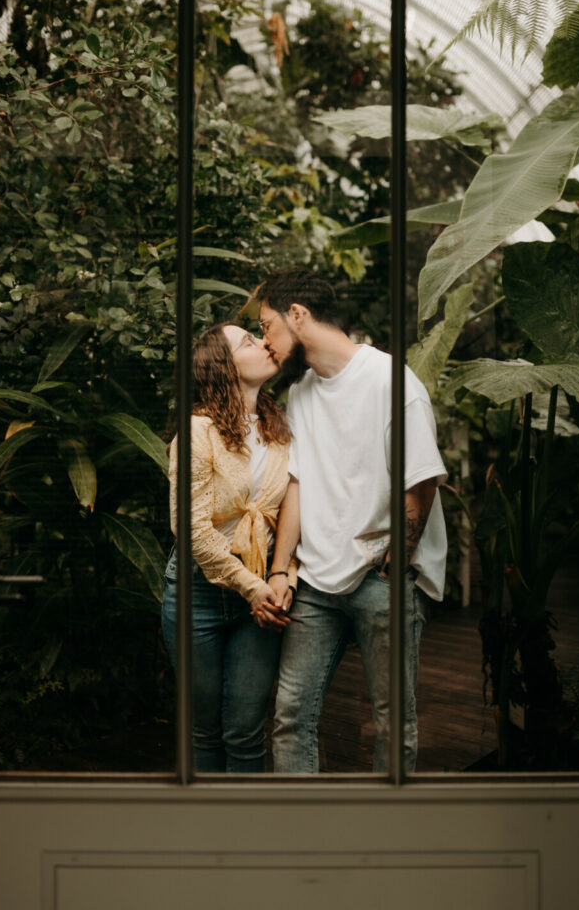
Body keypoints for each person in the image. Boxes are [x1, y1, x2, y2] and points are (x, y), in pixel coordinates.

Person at [256, 268, 447, 774]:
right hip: (316, 582)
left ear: (297, 315)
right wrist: (280, 570)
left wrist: (396, 566)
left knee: (391, 719)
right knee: (291, 714)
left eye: (267, 326)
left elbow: (421, 481)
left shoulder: (392, 383)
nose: (265, 342)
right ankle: (302, 838)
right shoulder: (300, 394)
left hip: (380, 579)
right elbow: (297, 483)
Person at [161, 323, 295, 773]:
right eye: (248, 342)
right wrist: (253, 588)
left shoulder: (280, 432)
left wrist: (282, 579)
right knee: (204, 730)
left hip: (258, 596)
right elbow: (191, 528)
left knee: (245, 730)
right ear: (224, 367)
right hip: (196, 594)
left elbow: (286, 520)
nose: (264, 344)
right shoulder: (197, 433)